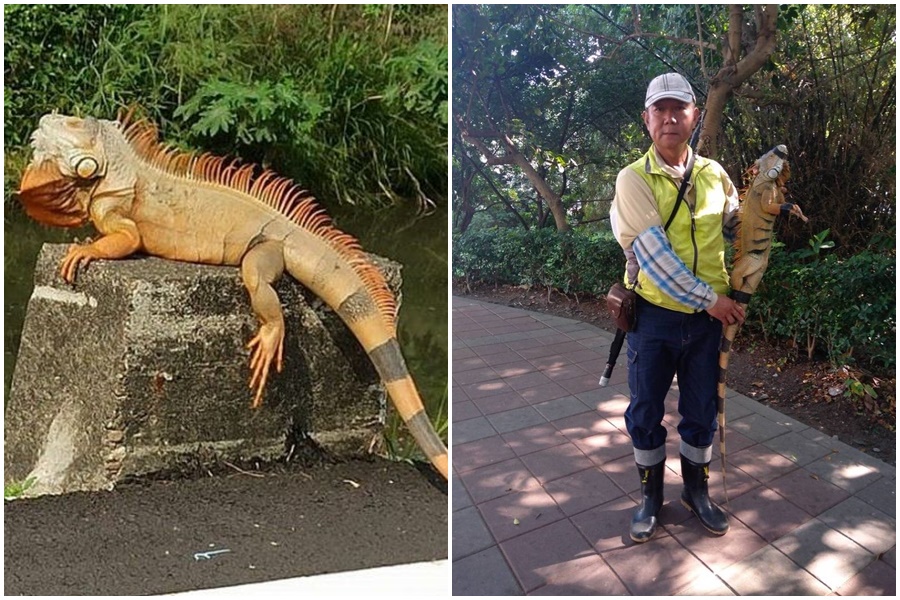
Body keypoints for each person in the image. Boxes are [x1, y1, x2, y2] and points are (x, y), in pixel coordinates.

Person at [609, 72, 745, 543]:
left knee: (700, 410)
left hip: (706, 325)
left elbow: (736, 225)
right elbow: (656, 261)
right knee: (646, 409)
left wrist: (762, 213)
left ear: (694, 117)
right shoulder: (633, 179)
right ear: (647, 120)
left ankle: (696, 492)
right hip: (655, 318)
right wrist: (715, 302)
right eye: (659, 110)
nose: (669, 118)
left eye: (679, 109)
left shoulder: (714, 174)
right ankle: (650, 496)